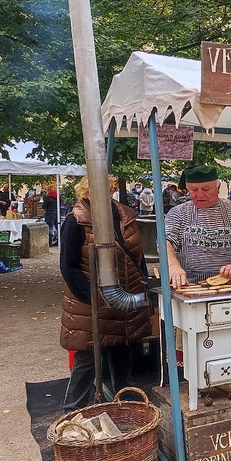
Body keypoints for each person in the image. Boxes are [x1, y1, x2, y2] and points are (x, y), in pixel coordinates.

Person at [60, 176, 152, 410]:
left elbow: (137, 257)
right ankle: (73, 412)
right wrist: (92, 299)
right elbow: (68, 268)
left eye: (107, 188)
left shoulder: (126, 216)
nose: (104, 192)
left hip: (124, 297)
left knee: (122, 347)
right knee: (88, 357)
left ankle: (125, 401)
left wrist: (144, 286)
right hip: (90, 302)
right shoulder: (75, 221)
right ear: (85, 190)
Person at [164, 166, 231, 288]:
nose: (199, 195)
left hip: (226, 286)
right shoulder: (178, 213)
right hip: (186, 285)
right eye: (193, 190)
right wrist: (173, 265)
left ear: (218, 188)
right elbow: (165, 241)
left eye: (206, 189)